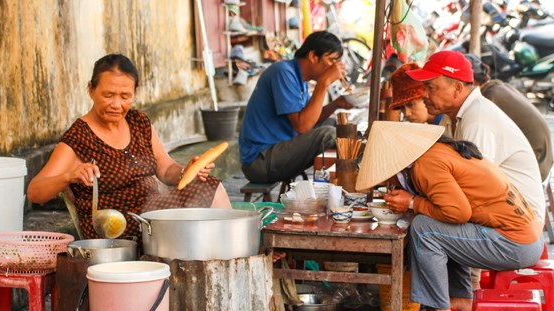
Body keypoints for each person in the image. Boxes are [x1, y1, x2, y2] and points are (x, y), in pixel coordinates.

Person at [356, 121, 544, 311]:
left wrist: (413, 203)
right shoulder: (438, 151)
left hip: (515, 245)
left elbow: (457, 213)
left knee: (424, 229)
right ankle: (461, 300)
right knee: (437, 226)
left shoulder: (426, 164)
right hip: (529, 238)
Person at [27, 54, 231, 241]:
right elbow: (35, 192)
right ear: (91, 90)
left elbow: (166, 169)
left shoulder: (138, 122)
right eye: (108, 95)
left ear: (135, 93)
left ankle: (229, 254)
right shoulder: (79, 137)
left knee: (210, 186)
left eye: (125, 96)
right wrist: (69, 176)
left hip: (153, 213)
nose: (116, 104)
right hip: (115, 228)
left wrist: (186, 171)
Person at [406, 50, 545, 224]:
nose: (424, 94)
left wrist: (415, 202)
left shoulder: (478, 119)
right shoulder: (452, 116)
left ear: (457, 88)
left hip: (518, 222)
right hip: (498, 212)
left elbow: (473, 190)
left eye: (430, 87)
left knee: (423, 226)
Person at [239, 31, 352, 184]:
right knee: (328, 134)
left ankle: (351, 173)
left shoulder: (299, 79)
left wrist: (336, 104)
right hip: (259, 161)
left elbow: (310, 119)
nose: (334, 67)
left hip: (276, 152)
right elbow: (303, 126)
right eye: (331, 60)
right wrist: (323, 83)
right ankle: (352, 174)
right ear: (313, 56)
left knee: (334, 125)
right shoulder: (283, 72)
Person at [465, 54, 553, 182]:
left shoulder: (488, 98)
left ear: (473, 82)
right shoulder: (498, 86)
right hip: (543, 158)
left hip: (536, 166)